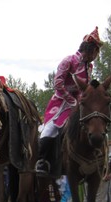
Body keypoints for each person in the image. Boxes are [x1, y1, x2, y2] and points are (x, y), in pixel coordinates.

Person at [35, 27, 103, 176]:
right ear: (90, 49)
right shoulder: (69, 60)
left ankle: (102, 156)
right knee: (50, 129)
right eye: (96, 51)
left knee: (96, 121)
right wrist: (71, 100)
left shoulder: (89, 67)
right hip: (60, 102)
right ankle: (42, 161)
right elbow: (58, 84)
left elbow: (86, 87)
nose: (96, 55)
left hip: (80, 103)